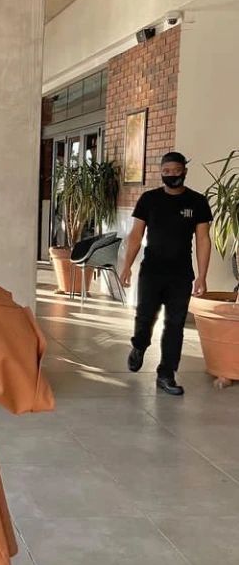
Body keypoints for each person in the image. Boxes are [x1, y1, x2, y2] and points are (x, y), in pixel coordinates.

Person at [119, 151, 212, 395]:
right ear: (161, 173)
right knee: (145, 317)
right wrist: (127, 266)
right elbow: (136, 235)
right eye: (166, 171)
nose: (171, 175)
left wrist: (202, 275)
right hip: (152, 272)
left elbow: (203, 240)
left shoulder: (197, 202)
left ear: (185, 172)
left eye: (176, 171)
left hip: (181, 274)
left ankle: (166, 374)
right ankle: (139, 346)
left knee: (175, 324)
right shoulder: (149, 199)